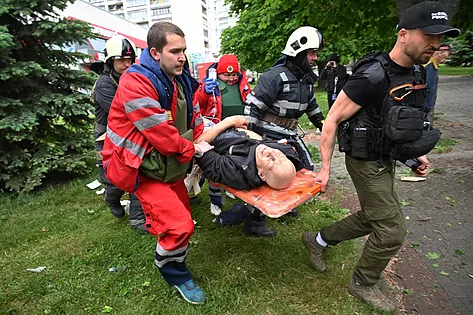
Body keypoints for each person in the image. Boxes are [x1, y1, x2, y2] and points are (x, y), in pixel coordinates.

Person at [301, 2, 460, 313]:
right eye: (429, 36)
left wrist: (413, 157)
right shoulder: (371, 75)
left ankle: (317, 239)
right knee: (392, 230)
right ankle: (363, 281)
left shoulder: (416, 71)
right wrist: (325, 171)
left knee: (375, 217)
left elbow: (399, 123)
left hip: (385, 157)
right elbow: (331, 120)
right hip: (363, 160)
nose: (436, 45)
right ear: (403, 34)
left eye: (440, 39)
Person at [101, 22, 210, 304]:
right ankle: (175, 273)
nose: (182, 57)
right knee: (180, 225)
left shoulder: (181, 78)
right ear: (155, 52)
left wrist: (203, 141)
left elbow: (195, 117)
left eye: (184, 50)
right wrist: (194, 149)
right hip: (141, 169)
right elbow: (161, 135)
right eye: (175, 51)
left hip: (168, 167)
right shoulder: (135, 82)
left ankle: (168, 244)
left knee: (182, 219)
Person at [245, 26, 325, 216]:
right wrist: (253, 138)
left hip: (289, 133)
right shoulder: (274, 77)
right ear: (298, 51)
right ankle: (256, 219)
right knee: (267, 174)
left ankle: (286, 204)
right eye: (312, 53)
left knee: (305, 167)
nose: (315, 58)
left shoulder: (305, 79)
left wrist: (322, 124)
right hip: (268, 133)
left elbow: (311, 106)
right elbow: (252, 108)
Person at [195, 116, 306, 237]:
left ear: (261, 175)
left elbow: (200, 145)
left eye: (270, 161)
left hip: (207, 131)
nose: (271, 152)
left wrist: (229, 122)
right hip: (228, 129)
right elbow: (288, 149)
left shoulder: (236, 172)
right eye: (279, 155)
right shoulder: (275, 156)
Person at [90, 35, 147, 234]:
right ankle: (111, 199)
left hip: (131, 134)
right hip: (107, 137)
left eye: (129, 60)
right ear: (110, 61)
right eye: (121, 60)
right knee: (113, 179)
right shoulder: (104, 84)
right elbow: (123, 111)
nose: (126, 64)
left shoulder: (131, 78)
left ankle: (138, 219)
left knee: (136, 171)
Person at [193, 54, 252, 215]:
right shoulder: (210, 84)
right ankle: (216, 202)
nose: (231, 78)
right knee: (216, 168)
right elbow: (197, 102)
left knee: (236, 164)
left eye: (234, 74)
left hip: (238, 133)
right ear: (218, 73)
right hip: (215, 133)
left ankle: (231, 188)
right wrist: (204, 91)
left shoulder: (244, 85)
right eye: (226, 75)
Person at [424, 43, 454, 128]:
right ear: (440, 52)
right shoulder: (430, 67)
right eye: (448, 54)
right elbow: (428, 89)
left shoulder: (432, 65)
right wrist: (428, 107)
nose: (448, 57)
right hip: (425, 108)